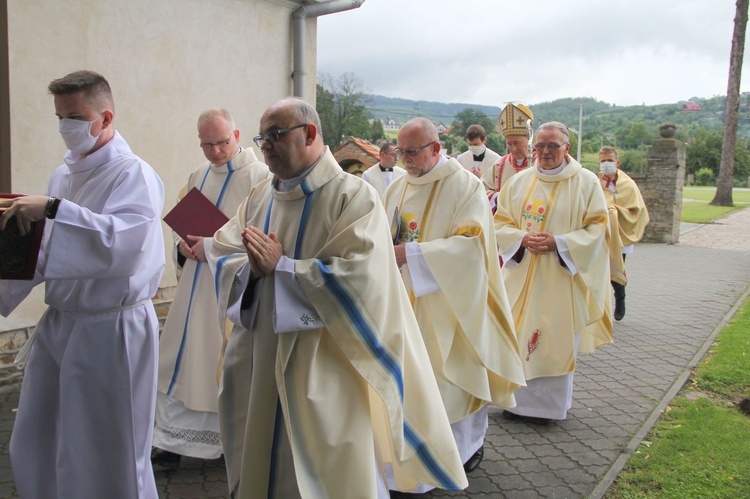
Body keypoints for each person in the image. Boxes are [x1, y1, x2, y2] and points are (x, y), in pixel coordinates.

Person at [206, 97, 467, 497]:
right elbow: (225, 252)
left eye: (276, 135)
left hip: (321, 361)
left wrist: (285, 268)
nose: (266, 146)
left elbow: (363, 278)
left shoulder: (353, 197)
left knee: (322, 469)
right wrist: (250, 270)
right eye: (263, 138)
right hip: (258, 354)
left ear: (310, 133)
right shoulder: (260, 196)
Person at [0, 70, 165, 498]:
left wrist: (53, 210)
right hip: (62, 324)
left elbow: (122, 245)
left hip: (112, 328)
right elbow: (48, 249)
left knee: (110, 447)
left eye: (74, 117)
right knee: (41, 436)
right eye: (59, 117)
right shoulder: (63, 174)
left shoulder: (135, 174)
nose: (64, 128)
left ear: (105, 117)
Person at [383, 118, 525, 489]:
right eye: (401, 151)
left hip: (451, 303)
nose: (406, 159)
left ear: (435, 148)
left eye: (412, 152)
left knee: (453, 381)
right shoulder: (397, 186)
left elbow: (473, 246)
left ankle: (465, 449)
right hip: (402, 299)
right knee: (409, 382)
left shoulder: (466, 186)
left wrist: (410, 253)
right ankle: (408, 461)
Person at [152, 109, 271, 463]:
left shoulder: (260, 177)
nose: (216, 152)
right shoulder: (198, 175)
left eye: (222, 142)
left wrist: (211, 247)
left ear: (237, 136)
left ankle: (225, 441)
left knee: (216, 359)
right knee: (179, 355)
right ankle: (171, 439)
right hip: (194, 283)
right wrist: (183, 245)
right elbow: (182, 220)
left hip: (230, 284)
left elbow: (262, 235)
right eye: (207, 144)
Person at [494, 121, 612, 424]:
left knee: (554, 339)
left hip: (562, 279)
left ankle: (548, 409)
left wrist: (559, 243)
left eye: (553, 146)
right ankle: (516, 404)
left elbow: (598, 229)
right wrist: (521, 239)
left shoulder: (586, 183)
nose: (545, 152)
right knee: (518, 337)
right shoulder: (519, 182)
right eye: (541, 146)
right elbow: (500, 222)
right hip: (522, 277)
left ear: (566, 148)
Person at [598, 145, 650, 321]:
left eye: (610, 161)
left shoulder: (628, 184)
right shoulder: (595, 183)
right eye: (603, 161)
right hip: (600, 233)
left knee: (616, 268)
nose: (606, 165)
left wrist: (614, 211)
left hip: (620, 233)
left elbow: (636, 209)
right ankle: (599, 309)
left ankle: (620, 298)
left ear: (617, 162)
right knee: (598, 272)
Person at [482, 103, 534, 210]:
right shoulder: (499, 165)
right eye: (509, 144)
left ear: (529, 140)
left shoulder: (543, 164)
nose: (514, 149)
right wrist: (498, 197)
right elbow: (481, 190)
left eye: (517, 143)